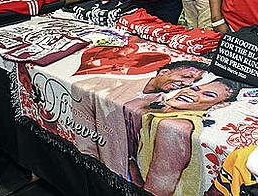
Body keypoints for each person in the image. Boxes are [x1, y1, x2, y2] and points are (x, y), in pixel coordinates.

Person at [71, 58, 207, 175]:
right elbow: (85, 140)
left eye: (194, 81)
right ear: (164, 72)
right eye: (186, 76)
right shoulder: (101, 85)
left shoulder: (164, 107)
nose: (188, 84)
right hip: (96, 170)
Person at [133, 78, 242, 196]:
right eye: (194, 89)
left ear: (220, 105)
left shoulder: (177, 127)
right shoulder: (169, 115)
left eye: (208, 95)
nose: (192, 94)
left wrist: (131, 170)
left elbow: (157, 191)